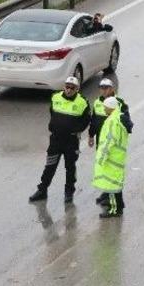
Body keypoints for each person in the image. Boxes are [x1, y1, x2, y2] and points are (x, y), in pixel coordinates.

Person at [29, 76, 91, 204]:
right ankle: (42, 190)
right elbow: (52, 112)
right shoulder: (55, 97)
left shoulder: (82, 102)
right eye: (67, 87)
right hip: (56, 140)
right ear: (64, 87)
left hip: (71, 141)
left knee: (70, 167)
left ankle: (69, 192)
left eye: (72, 88)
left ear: (77, 89)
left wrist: (75, 129)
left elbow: (86, 120)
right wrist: (55, 126)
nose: (69, 90)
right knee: (50, 166)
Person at [89, 78, 132, 205]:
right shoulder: (98, 102)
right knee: (104, 169)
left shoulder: (119, 103)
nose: (104, 90)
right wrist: (91, 135)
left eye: (106, 88)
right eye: (102, 88)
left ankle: (113, 199)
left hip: (113, 143)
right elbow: (94, 120)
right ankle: (107, 193)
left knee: (112, 171)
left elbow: (127, 123)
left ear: (112, 89)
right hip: (101, 141)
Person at [93, 96, 129, 218]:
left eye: (106, 107)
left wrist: (102, 157)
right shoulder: (118, 117)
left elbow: (109, 141)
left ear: (111, 108)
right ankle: (119, 205)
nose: (104, 109)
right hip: (117, 157)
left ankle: (114, 210)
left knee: (112, 186)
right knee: (116, 184)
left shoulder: (113, 121)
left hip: (111, 158)